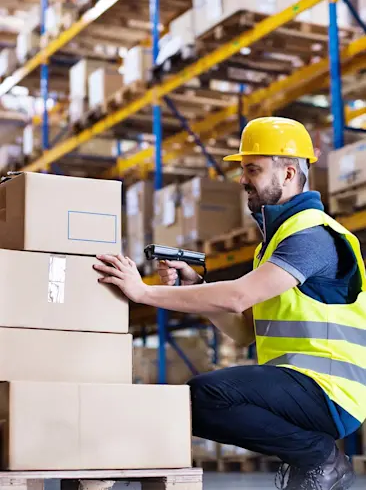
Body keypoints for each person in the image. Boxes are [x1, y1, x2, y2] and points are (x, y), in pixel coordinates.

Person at [93, 117, 366, 490]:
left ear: (288, 174)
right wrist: (199, 287)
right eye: (243, 170)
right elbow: (241, 330)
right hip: (303, 386)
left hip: (329, 391)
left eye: (252, 169)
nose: (242, 180)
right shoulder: (275, 242)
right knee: (199, 402)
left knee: (205, 395)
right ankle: (315, 455)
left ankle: (318, 456)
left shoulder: (311, 235)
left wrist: (143, 292)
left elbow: (238, 295)